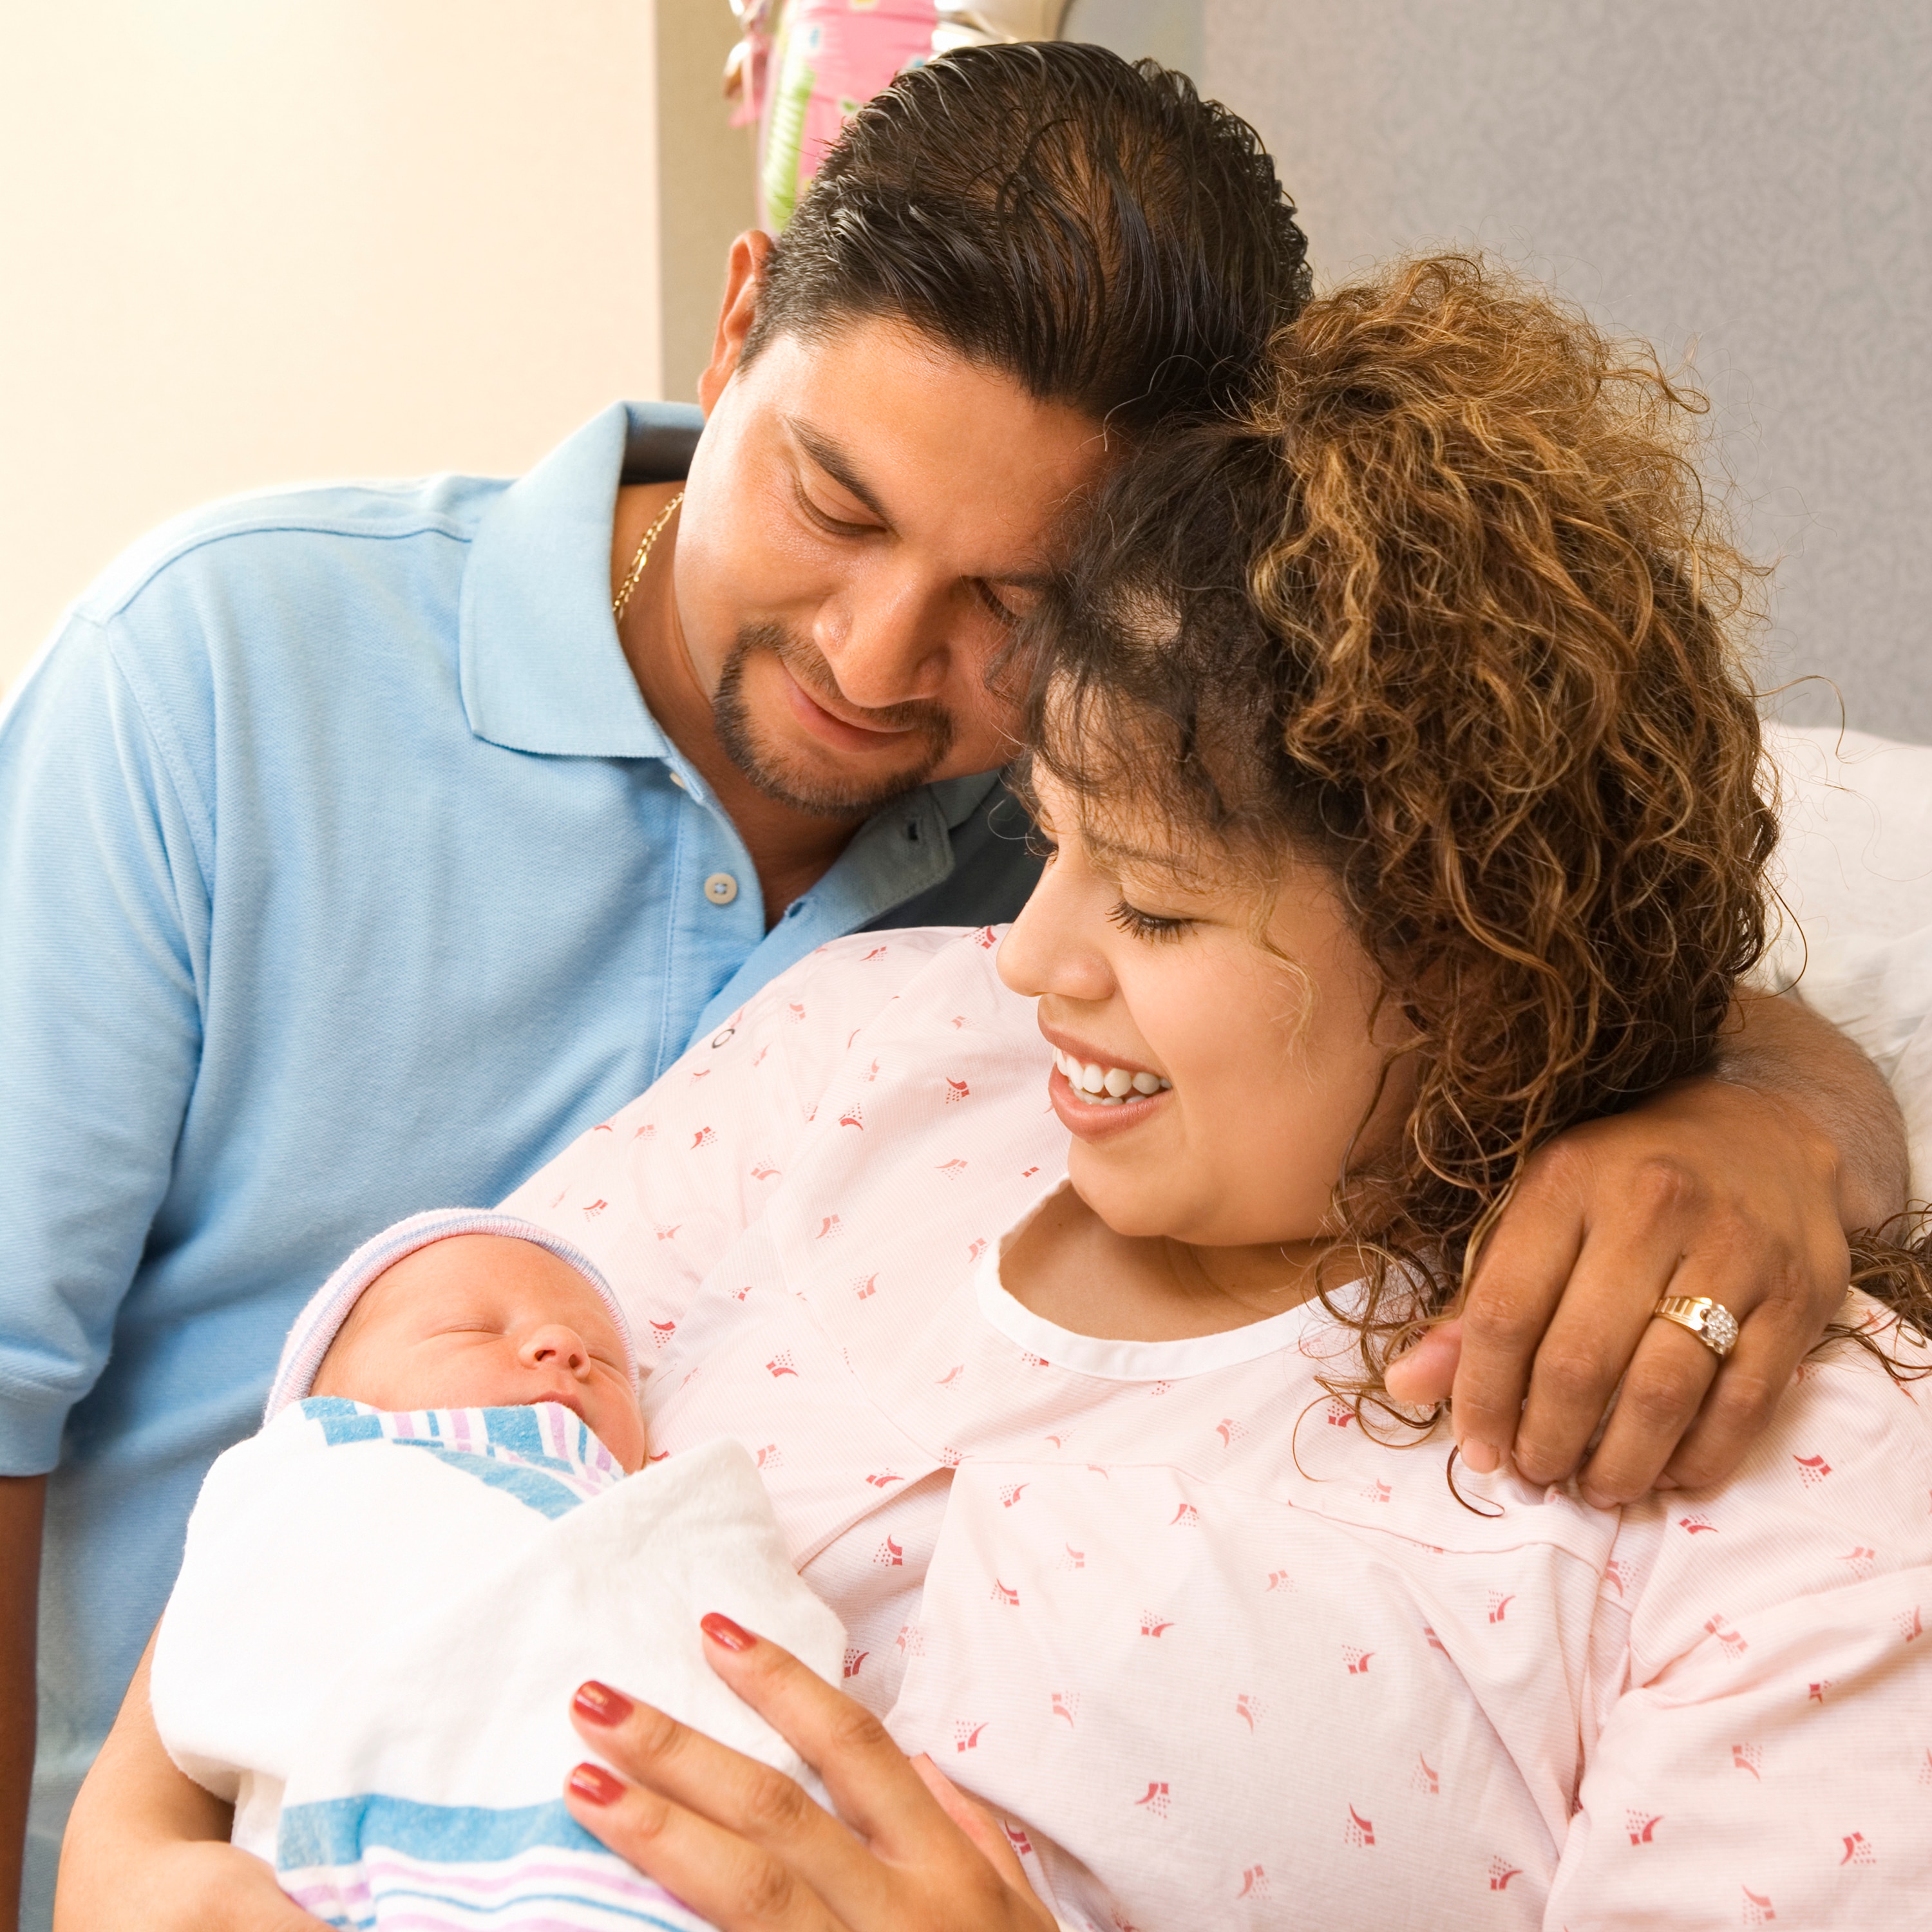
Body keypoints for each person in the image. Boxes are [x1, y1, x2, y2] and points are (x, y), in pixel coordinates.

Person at [0, 46, 1904, 1932]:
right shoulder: (236, 687)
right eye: (836, 504)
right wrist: (124, 1865)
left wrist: (1768, 1119)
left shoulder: (1083, 827)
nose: (880, 655)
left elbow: (1602, 934)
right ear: (735, 325)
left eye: (1015, 602)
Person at [147, 1211, 843, 1932]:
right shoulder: (317, 1481)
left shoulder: (645, 1509)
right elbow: (227, 1659)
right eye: (470, 1330)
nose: (566, 1347)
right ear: (329, 1408)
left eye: (606, 1360)